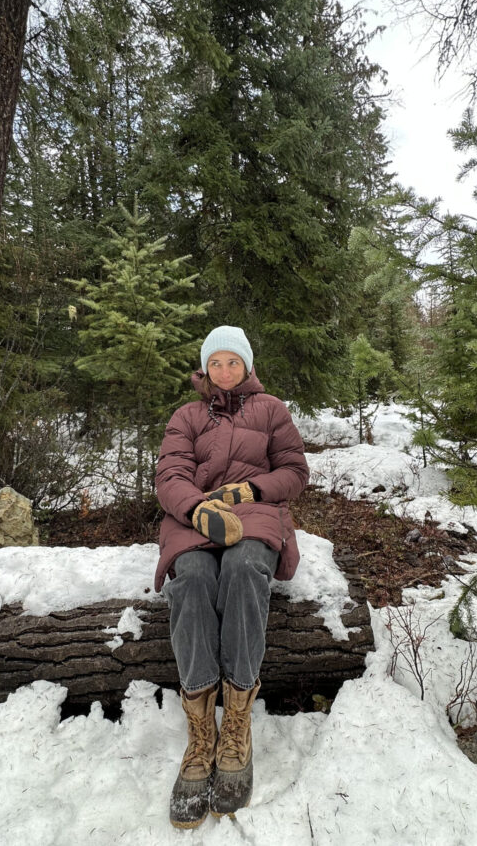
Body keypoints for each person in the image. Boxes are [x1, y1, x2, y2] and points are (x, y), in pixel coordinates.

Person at [154, 325, 309, 829]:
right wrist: (198, 509)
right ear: (206, 368)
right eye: (215, 363)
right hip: (193, 519)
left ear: (246, 365)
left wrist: (250, 492)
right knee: (194, 578)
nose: (224, 371)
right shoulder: (187, 416)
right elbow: (169, 476)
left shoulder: (271, 410)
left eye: (233, 362)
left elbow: (295, 471)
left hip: (256, 516)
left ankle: (237, 719)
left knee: (244, 569)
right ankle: (201, 734)